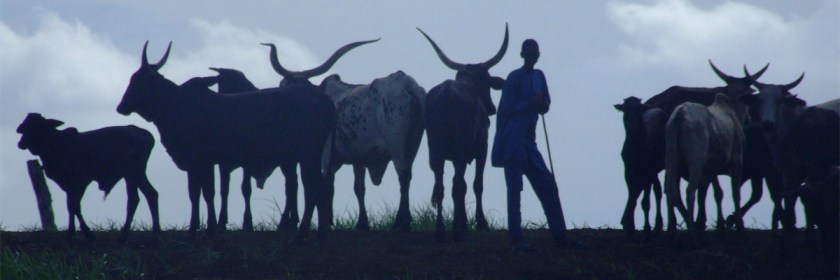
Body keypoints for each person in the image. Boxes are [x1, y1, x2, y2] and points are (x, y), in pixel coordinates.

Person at [491, 39, 570, 249]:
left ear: (538, 55)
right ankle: (516, 239)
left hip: (529, 143)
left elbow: (546, 106)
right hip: (512, 143)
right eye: (528, 53)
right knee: (514, 191)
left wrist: (541, 104)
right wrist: (529, 104)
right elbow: (505, 110)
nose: (531, 57)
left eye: (534, 53)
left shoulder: (539, 76)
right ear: (522, 55)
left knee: (548, 186)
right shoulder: (514, 78)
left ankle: (560, 235)